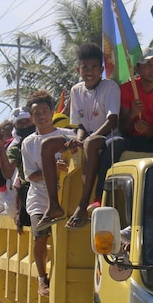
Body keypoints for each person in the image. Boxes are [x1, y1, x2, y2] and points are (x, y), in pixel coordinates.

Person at [35, 43, 119, 230]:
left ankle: (82, 206)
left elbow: (112, 120)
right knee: (47, 145)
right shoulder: (76, 90)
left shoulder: (110, 87)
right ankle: (54, 206)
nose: (89, 72)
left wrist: (87, 139)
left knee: (91, 143)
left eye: (94, 67)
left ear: (101, 69)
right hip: (85, 136)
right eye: (85, 68)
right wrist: (79, 138)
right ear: (78, 69)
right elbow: (80, 125)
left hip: (106, 137)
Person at [20, 90, 76, 296]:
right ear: (31, 117)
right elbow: (30, 175)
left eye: (45, 111)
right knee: (40, 235)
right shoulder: (28, 143)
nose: (42, 116)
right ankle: (42, 279)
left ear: (52, 112)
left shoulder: (68, 136)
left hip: (68, 196)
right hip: (40, 198)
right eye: (37, 113)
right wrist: (50, 170)